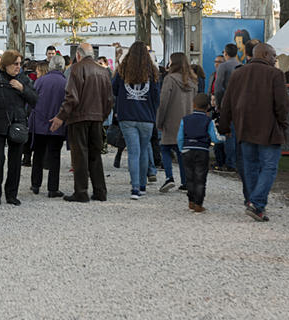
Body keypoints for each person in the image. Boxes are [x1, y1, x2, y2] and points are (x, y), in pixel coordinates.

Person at [219, 43, 289, 222]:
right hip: (269, 128)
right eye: (274, 55)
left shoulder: (238, 73)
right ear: (265, 54)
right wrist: (283, 124)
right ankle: (257, 203)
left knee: (249, 167)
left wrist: (225, 127)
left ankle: (252, 202)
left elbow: (226, 103)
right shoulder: (275, 74)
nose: (275, 59)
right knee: (269, 166)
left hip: (244, 127)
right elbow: (282, 104)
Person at [51, 43, 113, 202]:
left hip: (79, 117)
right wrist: (102, 116)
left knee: (80, 155)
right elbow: (109, 99)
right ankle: (100, 191)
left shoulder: (77, 69)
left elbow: (71, 97)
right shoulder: (103, 71)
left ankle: (81, 191)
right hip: (97, 118)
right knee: (95, 155)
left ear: (78, 55)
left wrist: (61, 116)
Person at [0, 49, 38, 205]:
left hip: (18, 124)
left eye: (20, 64)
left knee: (15, 160)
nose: (18, 67)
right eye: (15, 64)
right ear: (6, 65)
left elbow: (35, 100)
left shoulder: (23, 79)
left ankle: (11, 194)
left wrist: (22, 89)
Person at [112, 41, 160, 200]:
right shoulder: (152, 73)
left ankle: (134, 188)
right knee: (144, 150)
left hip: (127, 117)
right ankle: (143, 185)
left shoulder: (123, 71)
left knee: (133, 152)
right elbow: (156, 97)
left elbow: (114, 90)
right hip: (146, 118)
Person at [156, 53, 196, 193]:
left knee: (165, 149)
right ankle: (185, 182)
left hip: (171, 120)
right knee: (181, 152)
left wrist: (159, 121)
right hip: (187, 122)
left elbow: (163, 102)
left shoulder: (170, 79)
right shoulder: (193, 81)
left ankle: (169, 177)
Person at [177, 93, 224, 212]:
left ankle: (191, 201)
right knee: (200, 177)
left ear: (193, 104)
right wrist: (224, 138)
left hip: (187, 150)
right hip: (202, 151)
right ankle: (198, 203)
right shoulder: (208, 121)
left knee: (189, 177)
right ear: (207, 106)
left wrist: (182, 148)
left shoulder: (185, 119)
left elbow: (180, 137)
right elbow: (215, 138)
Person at [29, 55, 67, 198]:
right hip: (57, 124)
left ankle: (35, 184)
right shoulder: (65, 82)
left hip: (39, 123)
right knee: (54, 156)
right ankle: (53, 188)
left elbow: (31, 101)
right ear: (62, 67)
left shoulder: (40, 81)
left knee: (38, 154)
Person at [213, 43, 242, 172]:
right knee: (238, 133)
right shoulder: (242, 66)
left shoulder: (223, 66)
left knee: (228, 133)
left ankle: (230, 163)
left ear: (225, 53)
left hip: (228, 102)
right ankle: (238, 161)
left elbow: (218, 87)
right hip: (241, 103)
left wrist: (218, 104)